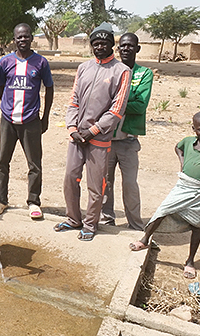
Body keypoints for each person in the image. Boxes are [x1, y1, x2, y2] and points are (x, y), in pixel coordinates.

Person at [129, 111, 200, 279]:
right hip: (183, 186)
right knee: (162, 211)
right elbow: (178, 146)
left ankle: (190, 261)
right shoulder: (188, 142)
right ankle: (145, 240)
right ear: (194, 129)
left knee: (196, 225)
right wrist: (182, 161)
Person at [54, 22, 131, 241]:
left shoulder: (121, 71)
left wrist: (93, 130)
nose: (99, 47)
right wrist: (72, 128)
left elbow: (117, 109)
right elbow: (74, 100)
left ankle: (90, 224)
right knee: (70, 177)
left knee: (96, 186)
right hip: (77, 136)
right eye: (96, 43)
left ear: (111, 45)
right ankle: (73, 219)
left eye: (104, 43)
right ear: (91, 45)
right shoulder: (84, 68)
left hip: (99, 138)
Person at [0, 23, 54, 219]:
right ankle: (1, 200)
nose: (23, 40)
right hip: (8, 120)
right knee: (2, 162)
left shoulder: (41, 63)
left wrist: (45, 117)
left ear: (31, 38)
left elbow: (49, 89)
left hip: (31, 120)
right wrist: (7, 108)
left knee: (34, 164)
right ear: (14, 39)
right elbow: (2, 87)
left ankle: (34, 202)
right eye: (19, 37)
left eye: (26, 36)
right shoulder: (5, 62)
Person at [100, 33, 153, 231]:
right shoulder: (110, 70)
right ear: (118, 49)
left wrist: (115, 102)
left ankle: (135, 225)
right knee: (106, 183)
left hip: (128, 140)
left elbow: (140, 106)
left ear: (137, 49)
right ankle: (107, 220)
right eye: (122, 46)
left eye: (130, 46)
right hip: (107, 137)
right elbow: (100, 101)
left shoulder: (144, 74)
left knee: (130, 184)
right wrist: (120, 102)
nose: (126, 49)